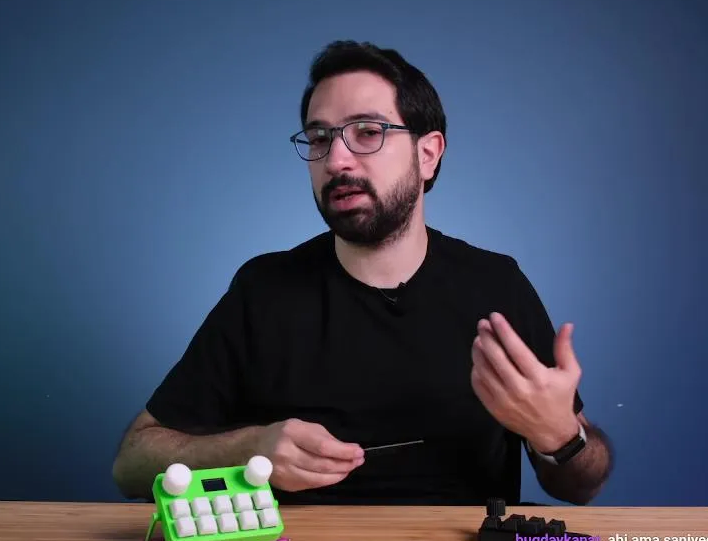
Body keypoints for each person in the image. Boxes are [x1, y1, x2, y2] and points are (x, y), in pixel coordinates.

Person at [112, 40, 613, 506]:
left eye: (368, 132)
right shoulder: (262, 291)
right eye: (319, 137)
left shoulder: (496, 285)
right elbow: (132, 463)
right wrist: (249, 450)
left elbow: (581, 486)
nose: (336, 159)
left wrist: (558, 436)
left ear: (427, 154)